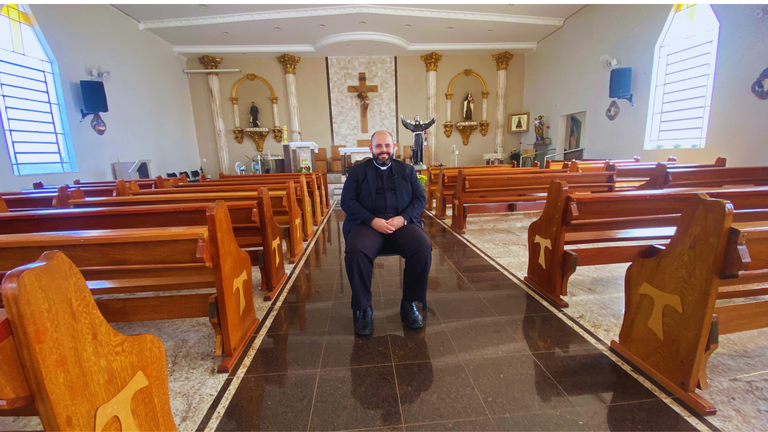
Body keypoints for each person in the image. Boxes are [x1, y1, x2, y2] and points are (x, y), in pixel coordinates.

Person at [340, 130, 432, 335]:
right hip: (367, 224)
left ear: (394, 148)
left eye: (387, 146)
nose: (384, 151)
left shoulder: (407, 170)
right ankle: (364, 308)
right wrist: (372, 221)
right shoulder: (357, 171)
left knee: (422, 248)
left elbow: (420, 199)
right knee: (355, 251)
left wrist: (403, 218)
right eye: (379, 146)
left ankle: (409, 303)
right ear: (371, 148)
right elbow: (347, 201)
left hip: (401, 224)